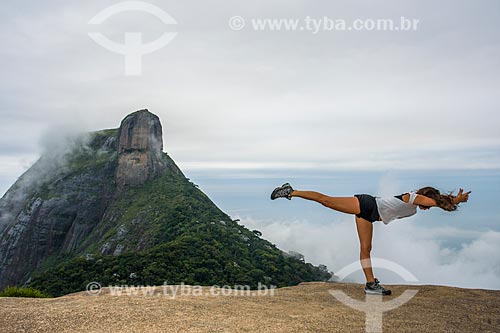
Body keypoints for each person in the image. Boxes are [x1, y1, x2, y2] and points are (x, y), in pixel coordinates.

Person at [270, 183, 471, 295]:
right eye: (430, 201)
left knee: (366, 249)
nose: (428, 207)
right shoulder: (413, 197)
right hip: (367, 204)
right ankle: (291, 191)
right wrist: (454, 200)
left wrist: (454, 201)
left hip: (370, 214)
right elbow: (435, 202)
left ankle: (370, 284)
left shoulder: (414, 208)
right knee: (327, 201)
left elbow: (435, 203)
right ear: (427, 196)